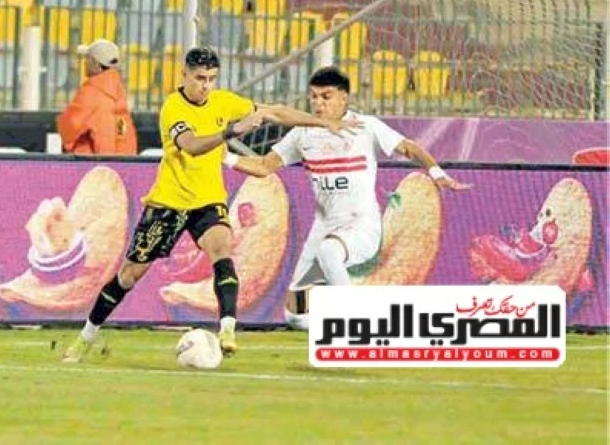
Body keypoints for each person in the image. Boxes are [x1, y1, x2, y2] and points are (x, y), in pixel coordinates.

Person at [61, 47, 357, 362]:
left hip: (208, 199)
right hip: (170, 201)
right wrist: (230, 131)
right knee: (129, 276)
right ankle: (86, 337)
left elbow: (274, 112)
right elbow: (191, 146)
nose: (206, 85)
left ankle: (227, 329)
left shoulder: (223, 101)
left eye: (212, 79)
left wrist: (321, 123)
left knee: (222, 248)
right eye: (200, 78)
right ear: (184, 75)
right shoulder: (173, 108)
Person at [230, 66, 471, 328]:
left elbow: (408, 147)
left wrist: (436, 172)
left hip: (361, 225)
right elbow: (264, 166)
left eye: (326, 96)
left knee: (329, 251)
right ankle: (347, 319)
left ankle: (355, 320)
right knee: (295, 315)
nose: (318, 103)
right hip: (323, 227)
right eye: (314, 97)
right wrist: (223, 156)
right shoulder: (302, 132)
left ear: (344, 98)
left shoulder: (365, 126)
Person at [56, 39, 138, 156]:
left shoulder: (91, 93)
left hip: (93, 161)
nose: (85, 63)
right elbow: (121, 131)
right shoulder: (119, 94)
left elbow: (68, 127)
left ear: (95, 64)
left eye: (88, 59)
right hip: (122, 162)